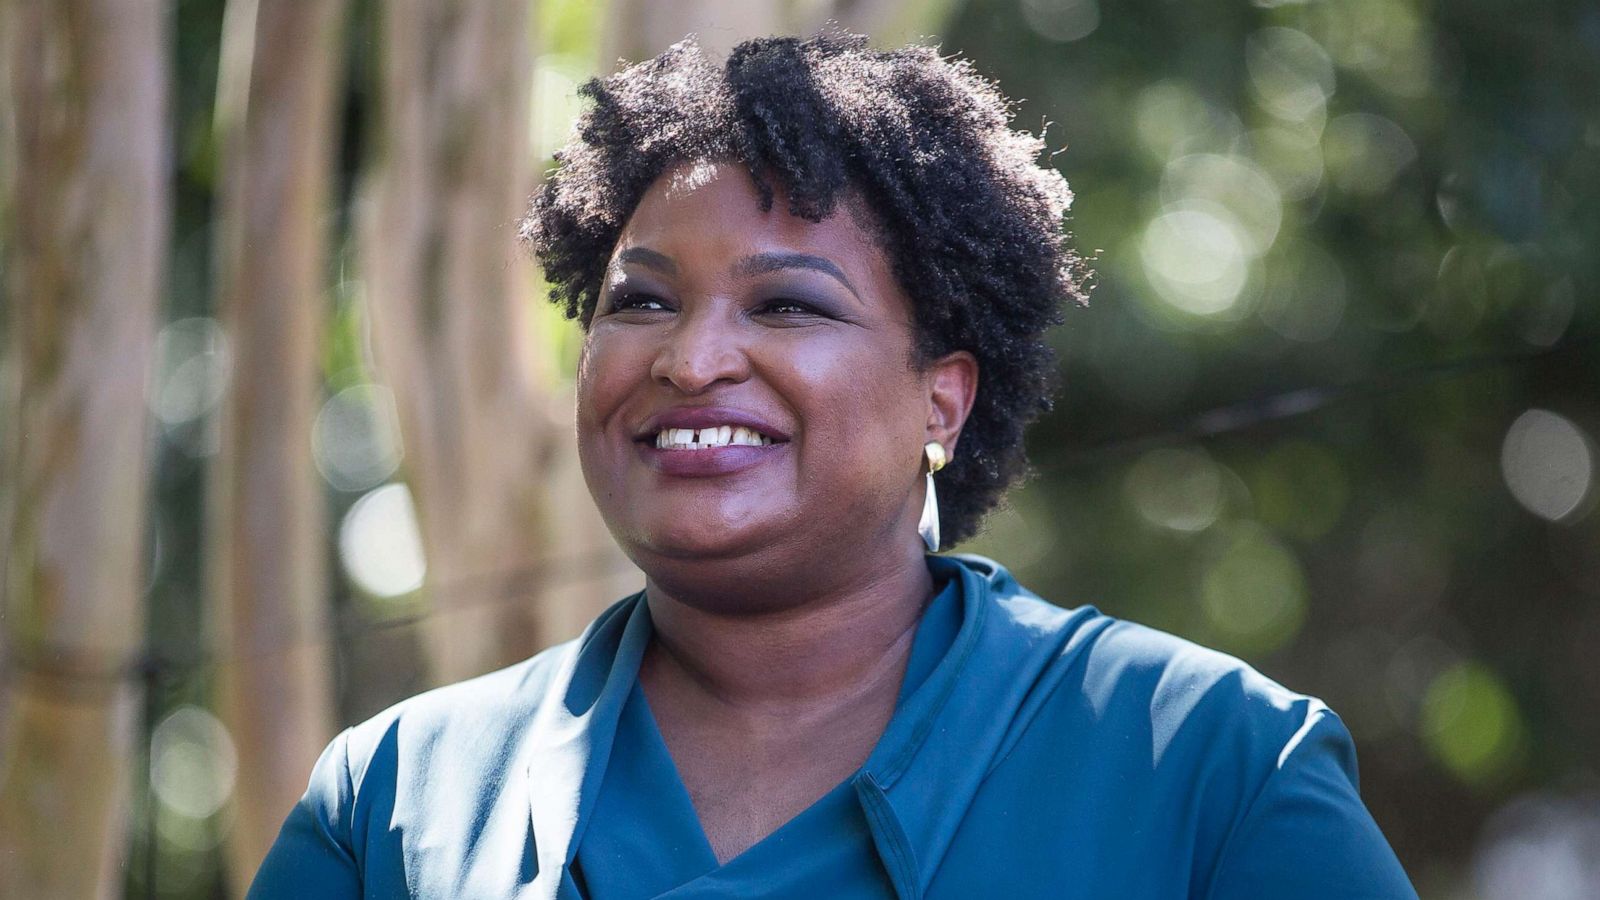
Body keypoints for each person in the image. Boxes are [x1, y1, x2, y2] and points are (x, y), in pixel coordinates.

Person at [250, 33, 1417, 898]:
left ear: (940, 399)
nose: (692, 359)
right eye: (642, 301)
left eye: (789, 306)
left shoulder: (1209, 768)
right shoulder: (399, 802)